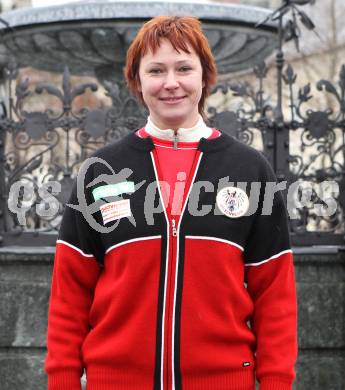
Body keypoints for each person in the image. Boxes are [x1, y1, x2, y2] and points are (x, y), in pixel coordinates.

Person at [45, 16, 298, 390]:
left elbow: (274, 292)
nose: (171, 83)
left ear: (204, 76)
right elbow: (70, 291)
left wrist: (276, 383)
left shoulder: (248, 169)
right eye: (156, 70)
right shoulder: (102, 170)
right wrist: (63, 381)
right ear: (137, 81)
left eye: (184, 68)